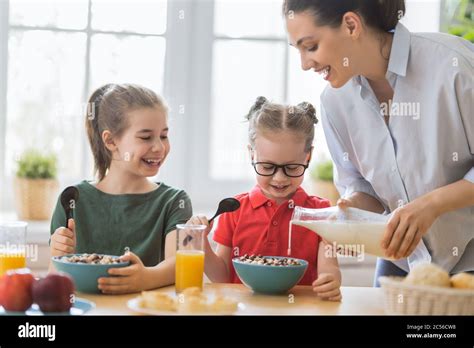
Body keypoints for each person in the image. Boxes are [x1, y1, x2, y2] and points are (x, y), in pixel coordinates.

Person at [283, 0, 474, 285]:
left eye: (310, 47)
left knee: (439, 333)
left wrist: (431, 205)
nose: (304, 64)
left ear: (351, 25)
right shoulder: (335, 101)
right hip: (401, 264)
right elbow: (360, 184)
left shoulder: (453, 66)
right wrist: (350, 211)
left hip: (468, 257)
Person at [188, 97, 342, 301]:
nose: (279, 178)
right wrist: (201, 245)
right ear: (251, 155)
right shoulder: (233, 210)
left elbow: (329, 269)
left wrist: (330, 282)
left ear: (308, 157)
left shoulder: (321, 213)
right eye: (268, 167)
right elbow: (222, 277)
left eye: (292, 167)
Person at [49, 83, 192, 293]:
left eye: (163, 135)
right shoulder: (73, 199)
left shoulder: (174, 202)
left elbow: (179, 264)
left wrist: (144, 279)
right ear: (110, 141)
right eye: (145, 137)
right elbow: (55, 278)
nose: (159, 147)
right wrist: (57, 251)